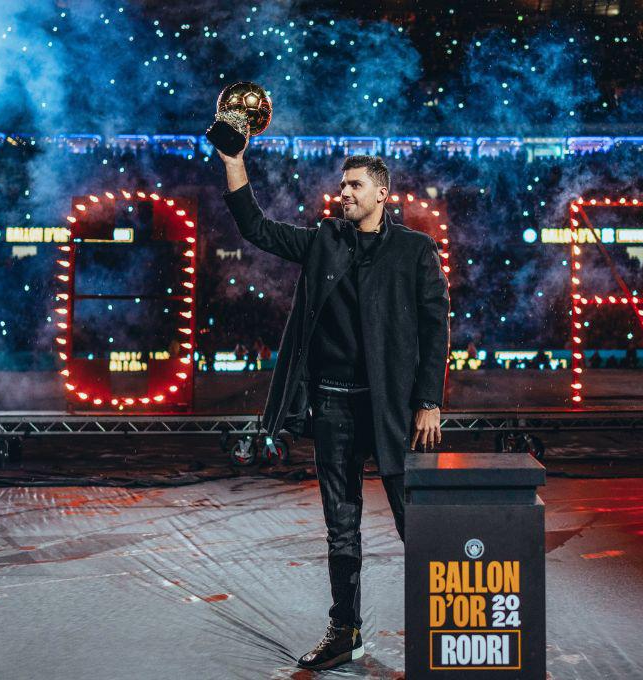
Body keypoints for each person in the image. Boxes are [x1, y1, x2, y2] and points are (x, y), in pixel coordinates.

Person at [219, 141, 450, 671]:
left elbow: (436, 329)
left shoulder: (415, 249)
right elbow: (255, 228)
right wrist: (235, 161)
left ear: (382, 194)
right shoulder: (324, 239)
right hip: (333, 410)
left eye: (355, 186)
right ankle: (345, 633)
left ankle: (441, 630)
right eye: (342, 185)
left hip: (392, 412)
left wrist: (429, 401)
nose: (343, 193)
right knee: (340, 527)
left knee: (414, 522)